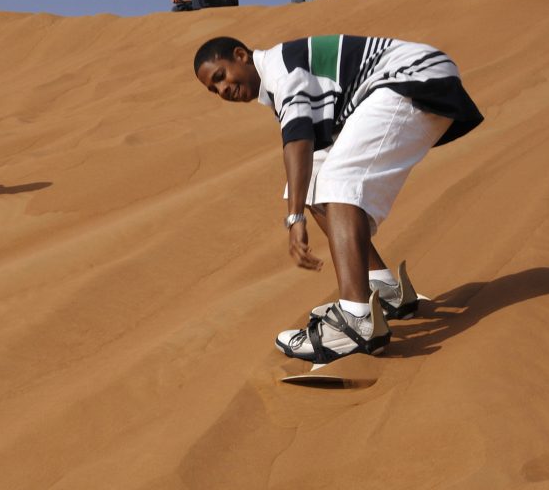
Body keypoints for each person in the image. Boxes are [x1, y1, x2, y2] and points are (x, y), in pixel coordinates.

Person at [193, 34, 483, 364]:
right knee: (315, 181)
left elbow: (298, 140)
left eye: (220, 77)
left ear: (240, 55)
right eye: (213, 90)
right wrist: (299, 204)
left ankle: (356, 319)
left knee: (338, 180)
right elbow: (311, 157)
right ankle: (383, 289)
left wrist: (295, 219)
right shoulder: (281, 80)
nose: (223, 91)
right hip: (404, 82)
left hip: (412, 76)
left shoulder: (282, 69)